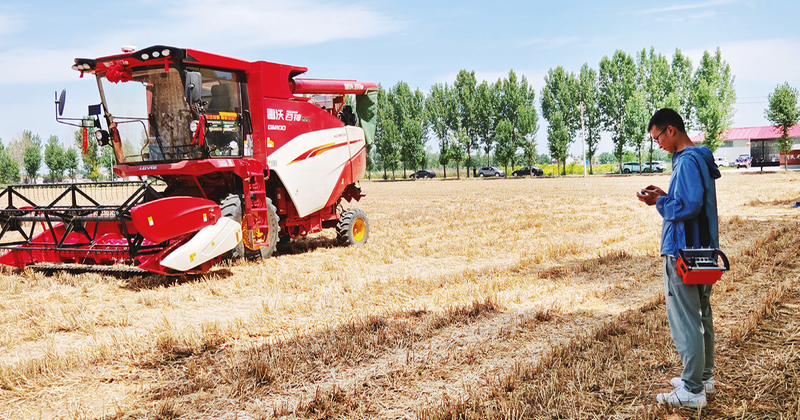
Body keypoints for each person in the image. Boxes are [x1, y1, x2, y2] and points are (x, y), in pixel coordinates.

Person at [637, 108, 721, 410]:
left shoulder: (686, 162)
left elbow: (687, 207)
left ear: (670, 130)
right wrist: (665, 194)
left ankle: (692, 388)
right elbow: (691, 201)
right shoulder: (699, 158)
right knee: (701, 315)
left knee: (685, 320)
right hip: (703, 251)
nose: (657, 144)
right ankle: (704, 376)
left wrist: (658, 202)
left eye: (657, 137)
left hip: (683, 251)